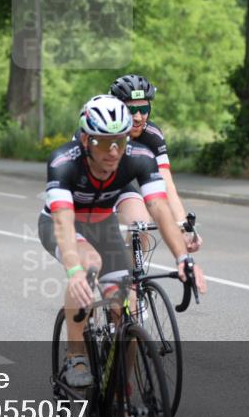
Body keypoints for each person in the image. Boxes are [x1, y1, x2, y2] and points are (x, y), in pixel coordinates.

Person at [39, 95, 205, 391]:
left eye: (121, 140)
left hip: (103, 225)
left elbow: (159, 208)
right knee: (89, 264)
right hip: (62, 225)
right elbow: (63, 222)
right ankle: (76, 357)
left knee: (127, 310)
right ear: (86, 139)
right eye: (104, 142)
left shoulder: (139, 157)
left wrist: (183, 258)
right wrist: (74, 269)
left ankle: (122, 392)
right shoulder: (64, 162)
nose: (114, 150)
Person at [108, 74, 202, 254]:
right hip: (87, 189)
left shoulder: (152, 136)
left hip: (120, 186)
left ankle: (134, 281)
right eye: (130, 110)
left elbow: (166, 184)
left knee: (139, 225)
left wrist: (183, 227)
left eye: (143, 108)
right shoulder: (98, 130)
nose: (138, 117)